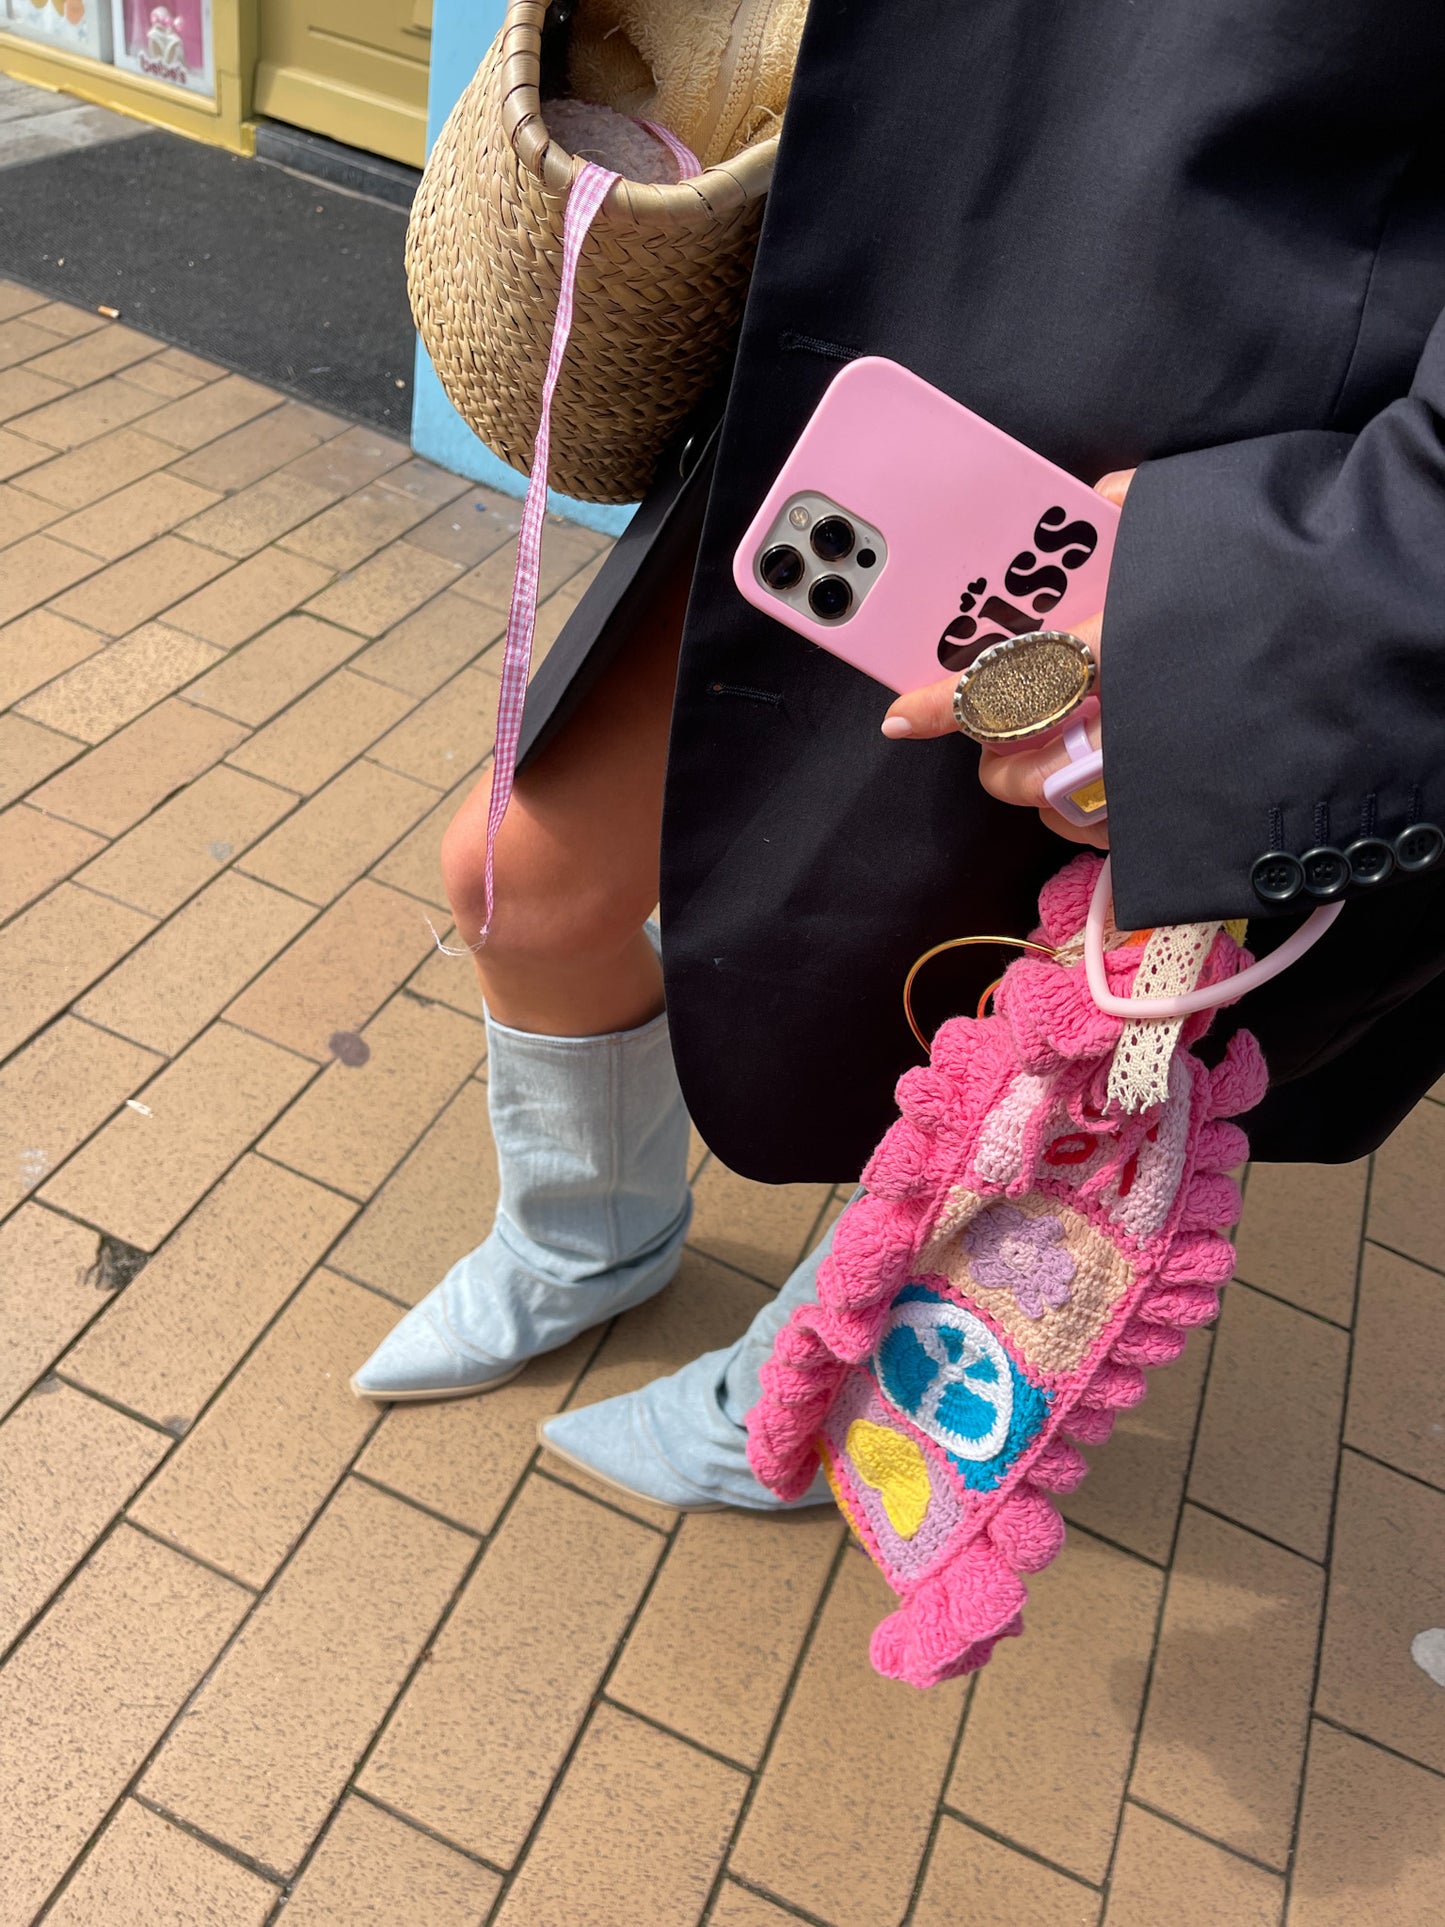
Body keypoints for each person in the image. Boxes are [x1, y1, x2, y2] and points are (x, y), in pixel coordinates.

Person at [352, 0, 1445, 1511]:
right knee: (516, 880)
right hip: (882, 349)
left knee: (1019, 1046)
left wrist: (1305, 590)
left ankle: (806, 1388)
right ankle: (581, 1240)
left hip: (1225, 466)